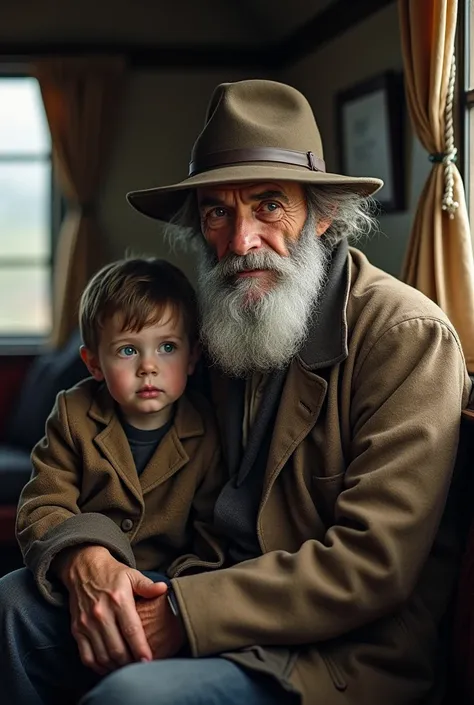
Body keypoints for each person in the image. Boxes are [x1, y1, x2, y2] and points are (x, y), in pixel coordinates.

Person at [0, 78, 472, 705]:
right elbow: (101, 457)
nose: (241, 240)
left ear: (323, 214)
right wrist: (85, 554)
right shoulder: (217, 323)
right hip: (200, 580)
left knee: (133, 698)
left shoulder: (404, 336)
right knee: (12, 606)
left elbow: (372, 565)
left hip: (329, 653)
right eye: (219, 211)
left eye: (269, 205)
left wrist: (182, 616)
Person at [4, 257, 225, 702]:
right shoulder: (73, 413)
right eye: (128, 350)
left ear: (194, 354)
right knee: (8, 595)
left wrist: (169, 594)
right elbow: (43, 505)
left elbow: (214, 534)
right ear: (94, 363)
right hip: (76, 575)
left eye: (167, 347)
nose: (148, 366)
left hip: (165, 582)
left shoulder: (209, 428)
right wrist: (86, 556)